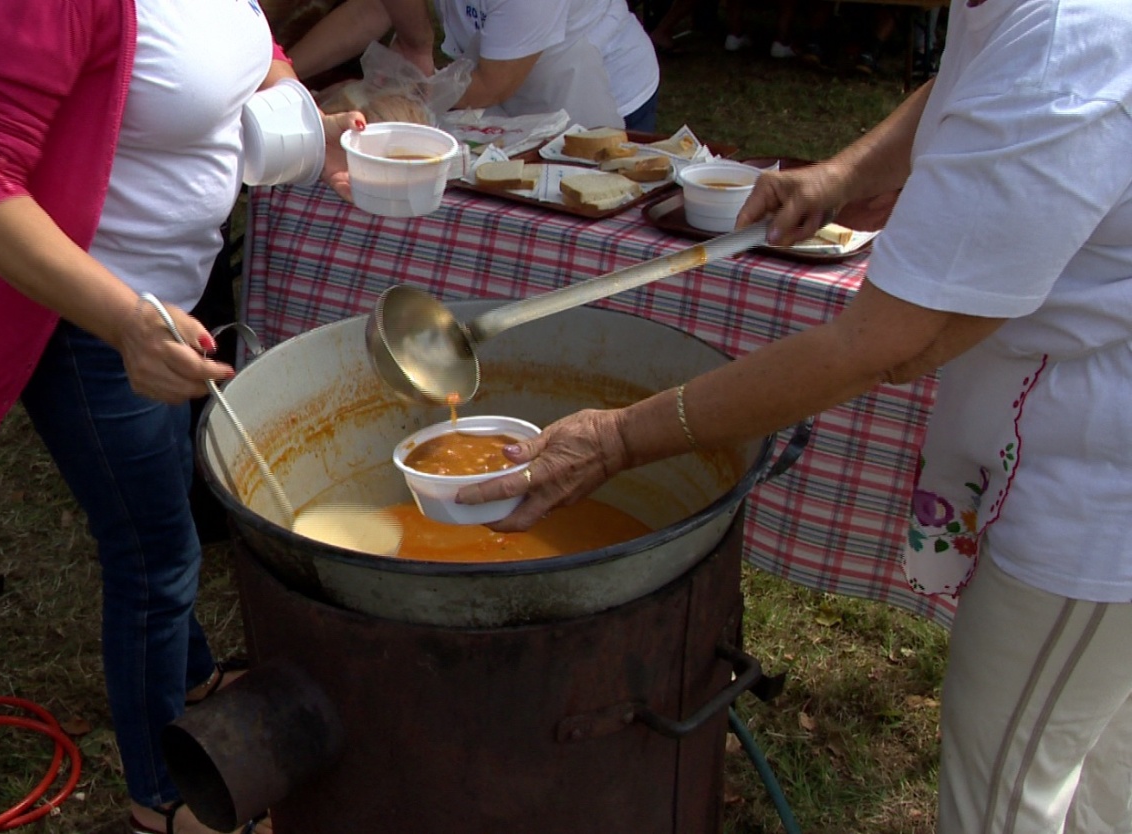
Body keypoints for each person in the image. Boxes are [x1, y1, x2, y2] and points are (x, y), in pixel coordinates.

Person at [458, 1, 1132, 830]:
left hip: (1098, 484)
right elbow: (968, 78)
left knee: (1006, 783)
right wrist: (846, 173)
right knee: (1102, 758)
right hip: (1068, 423)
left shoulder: (1067, 52)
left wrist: (617, 438)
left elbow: (884, 345)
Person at [0, 2, 364, 833]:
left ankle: (189, 681)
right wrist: (122, 322)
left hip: (169, 298)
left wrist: (310, 128)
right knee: (153, 551)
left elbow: (252, 55)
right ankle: (166, 789)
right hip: (88, 322)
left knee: (167, 518)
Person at [288, 0, 661, 131]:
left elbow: (493, 84)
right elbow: (375, 8)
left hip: (603, 88)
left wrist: (374, 95)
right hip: (506, 78)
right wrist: (282, 73)